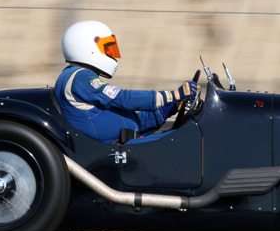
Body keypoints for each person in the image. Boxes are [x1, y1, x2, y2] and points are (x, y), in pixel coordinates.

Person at [55, 20, 198, 143]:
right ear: (87, 47)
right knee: (191, 139)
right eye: (107, 49)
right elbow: (122, 98)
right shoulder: (80, 78)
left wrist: (169, 108)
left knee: (184, 136)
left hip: (126, 141)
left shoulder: (76, 76)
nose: (110, 54)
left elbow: (130, 120)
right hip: (116, 149)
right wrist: (171, 96)